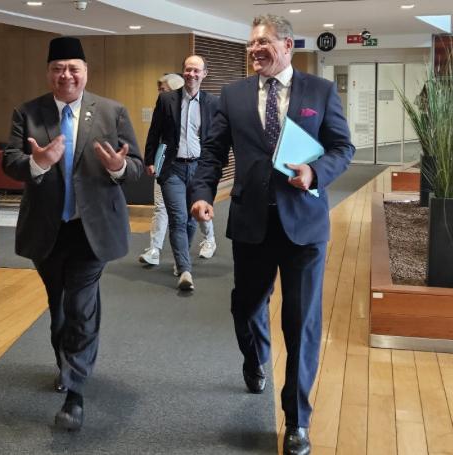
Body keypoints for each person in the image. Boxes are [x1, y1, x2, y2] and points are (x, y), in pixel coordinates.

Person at [190, 15, 354, 455]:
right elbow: (213, 151)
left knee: (301, 323)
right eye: (250, 43)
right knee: (246, 306)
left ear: (286, 44)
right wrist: (203, 193)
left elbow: (343, 148)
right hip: (251, 224)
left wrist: (315, 171)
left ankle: (297, 421)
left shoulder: (320, 92)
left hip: (305, 226)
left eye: (262, 42)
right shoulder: (233, 94)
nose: (254, 49)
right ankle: (255, 357)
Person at [2, 36, 143, 431]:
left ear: (86, 73)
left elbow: (135, 165)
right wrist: (37, 162)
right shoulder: (28, 112)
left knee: (81, 305)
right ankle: (66, 364)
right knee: (59, 307)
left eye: (73, 69)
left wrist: (118, 167)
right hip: (46, 230)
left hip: (91, 230)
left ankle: (75, 393)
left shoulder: (112, 112)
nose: (66, 75)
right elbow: (10, 162)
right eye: (58, 69)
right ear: (48, 73)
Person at [144, 56, 219, 291]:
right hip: (172, 168)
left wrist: (214, 166)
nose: (191, 74)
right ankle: (185, 269)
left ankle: (181, 258)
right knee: (177, 218)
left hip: (199, 169)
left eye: (196, 70)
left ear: (204, 74)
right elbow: (154, 131)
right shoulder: (167, 100)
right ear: (183, 72)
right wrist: (149, 160)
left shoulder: (212, 103)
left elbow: (216, 139)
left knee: (190, 219)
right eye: (188, 70)